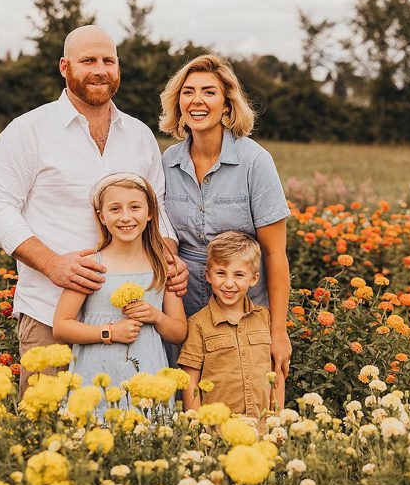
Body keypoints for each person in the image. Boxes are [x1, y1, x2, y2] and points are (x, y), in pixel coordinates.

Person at [0, 26, 188, 394]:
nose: (100, 69)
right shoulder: (28, 130)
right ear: (64, 66)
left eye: (109, 60)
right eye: (88, 60)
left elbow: (159, 212)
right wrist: (53, 264)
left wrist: (167, 260)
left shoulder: (139, 135)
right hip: (52, 314)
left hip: (130, 321)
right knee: (50, 436)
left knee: (130, 428)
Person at [159, 53, 291, 403]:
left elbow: (275, 253)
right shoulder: (167, 163)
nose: (197, 101)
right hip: (184, 301)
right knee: (187, 397)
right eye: (188, 92)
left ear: (227, 105)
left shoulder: (254, 161)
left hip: (243, 301)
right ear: (178, 103)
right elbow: (161, 233)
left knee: (243, 393)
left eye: (209, 92)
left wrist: (279, 332)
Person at [53, 173, 187, 412]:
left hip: (147, 379)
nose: (126, 217)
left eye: (135, 207)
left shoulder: (162, 266)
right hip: (95, 378)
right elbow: (61, 327)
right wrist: (110, 332)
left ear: (150, 213)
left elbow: (178, 332)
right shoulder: (90, 266)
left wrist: (155, 315)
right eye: (115, 209)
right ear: (102, 217)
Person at [178, 231, 278, 417]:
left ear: (254, 278)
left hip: (261, 429)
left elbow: (275, 377)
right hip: (217, 432)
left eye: (239, 275)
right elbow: (190, 381)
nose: (229, 283)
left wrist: (277, 422)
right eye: (221, 274)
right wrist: (195, 426)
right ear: (208, 275)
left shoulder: (265, 318)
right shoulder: (198, 324)